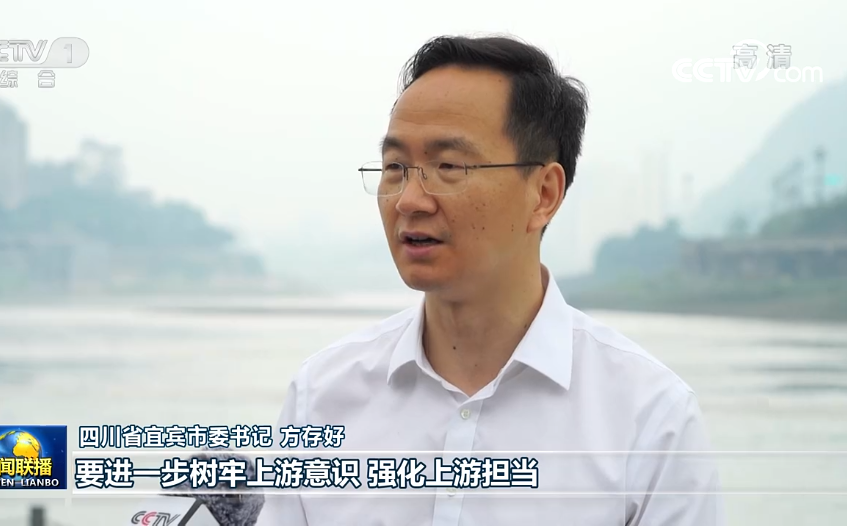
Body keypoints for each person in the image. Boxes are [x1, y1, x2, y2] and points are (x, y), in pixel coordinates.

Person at [256, 34, 723, 525]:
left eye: (448, 166)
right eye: (395, 167)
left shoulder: (650, 420)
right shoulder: (320, 396)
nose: (409, 200)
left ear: (544, 194)